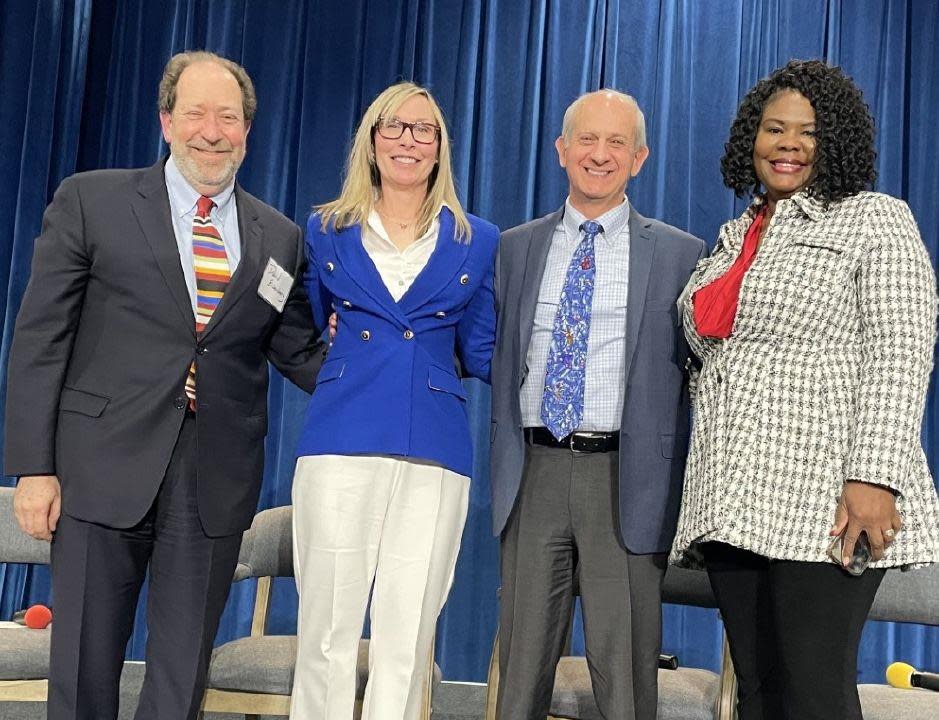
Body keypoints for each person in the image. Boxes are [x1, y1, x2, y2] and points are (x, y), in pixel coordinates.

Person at [4, 51, 325, 720]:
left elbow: (299, 349)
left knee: (181, 678)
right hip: (99, 467)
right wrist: (34, 468)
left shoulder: (280, 237)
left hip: (213, 479)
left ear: (246, 130)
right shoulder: (93, 199)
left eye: (228, 117)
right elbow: (41, 339)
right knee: (85, 667)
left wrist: (399, 363)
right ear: (166, 121)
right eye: (197, 113)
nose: (212, 130)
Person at [670, 59, 939, 720]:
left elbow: (900, 350)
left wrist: (872, 477)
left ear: (835, 142)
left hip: (826, 498)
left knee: (812, 688)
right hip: (733, 496)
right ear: (749, 141)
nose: (787, 143)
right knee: (759, 692)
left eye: (808, 131)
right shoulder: (733, 240)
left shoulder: (873, 220)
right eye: (773, 129)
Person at [490, 89, 706, 720]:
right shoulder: (512, 249)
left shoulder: (681, 255)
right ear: (562, 150)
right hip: (533, 471)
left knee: (626, 675)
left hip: (630, 477)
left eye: (618, 143)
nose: (601, 154)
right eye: (588, 139)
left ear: (639, 159)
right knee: (520, 669)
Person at [291, 81, 498, 720]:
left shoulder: (478, 239)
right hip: (339, 439)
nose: (408, 140)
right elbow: (307, 323)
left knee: (407, 633)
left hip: (433, 448)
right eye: (394, 127)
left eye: (423, 130)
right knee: (327, 627)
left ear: (440, 150)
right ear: (372, 142)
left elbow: (483, 346)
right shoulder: (326, 229)